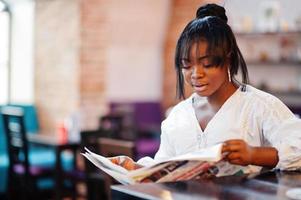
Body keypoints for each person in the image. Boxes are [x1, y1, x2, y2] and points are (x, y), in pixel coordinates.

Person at [110, 3, 301, 175]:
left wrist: (254, 154)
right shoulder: (177, 116)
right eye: (186, 65)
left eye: (207, 64)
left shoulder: (260, 106)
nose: (195, 74)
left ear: (229, 60)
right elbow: (164, 167)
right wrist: (137, 169)